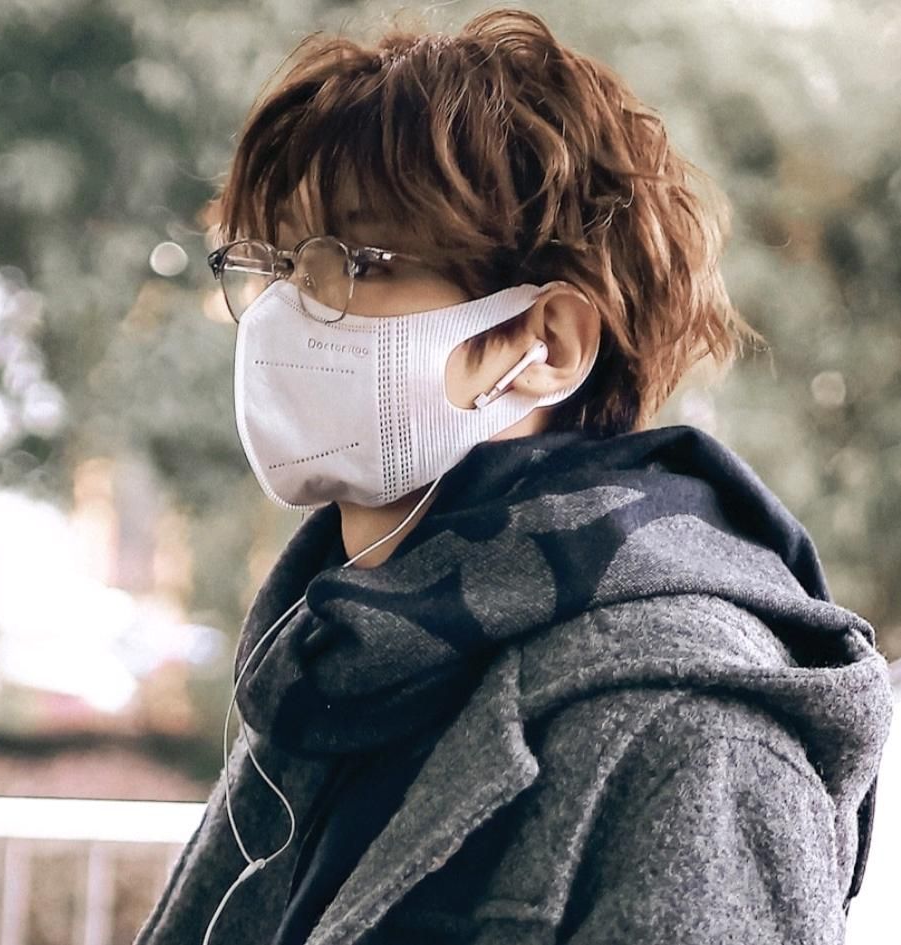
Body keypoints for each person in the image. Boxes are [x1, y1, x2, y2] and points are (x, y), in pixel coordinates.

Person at [134, 9, 893, 945]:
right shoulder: (331, 663)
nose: (283, 311)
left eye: (351, 262)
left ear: (546, 344)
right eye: (276, 262)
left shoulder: (692, 737)